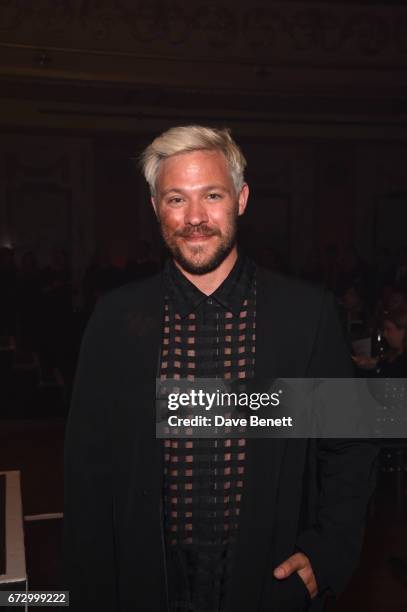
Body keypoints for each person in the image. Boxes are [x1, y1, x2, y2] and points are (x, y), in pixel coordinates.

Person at [64, 126, 377, 612]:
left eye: (211, 195)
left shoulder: (306, 315)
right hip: (146, 583)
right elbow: (86, 470)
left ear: (241, 199)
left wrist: (328, 554)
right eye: (175, 199)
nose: (194, 218)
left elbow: (350, 447)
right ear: (154, 208)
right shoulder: (115, 320)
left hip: (267, 584)